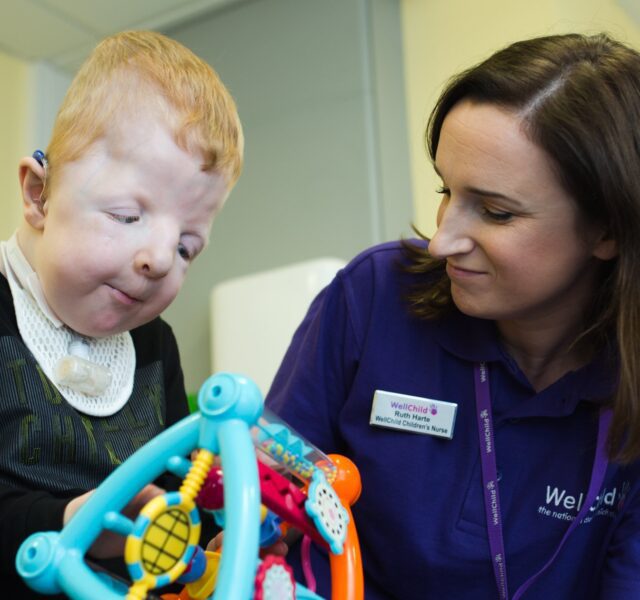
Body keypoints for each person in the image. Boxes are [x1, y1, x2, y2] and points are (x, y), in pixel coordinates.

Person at [266, 32, 640, 599]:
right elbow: (265, 506)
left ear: (607, 229)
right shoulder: (372, 298)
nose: (442, 241)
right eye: (447, 189)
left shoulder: (627, 386)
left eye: (495, 211)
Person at [0, 30, 242, 596]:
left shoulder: (156, 347)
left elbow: (177, 493)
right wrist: (70, 523)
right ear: (39, 195)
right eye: (128, 215)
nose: (160, 260)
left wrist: (211, 540)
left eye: (187, 246)